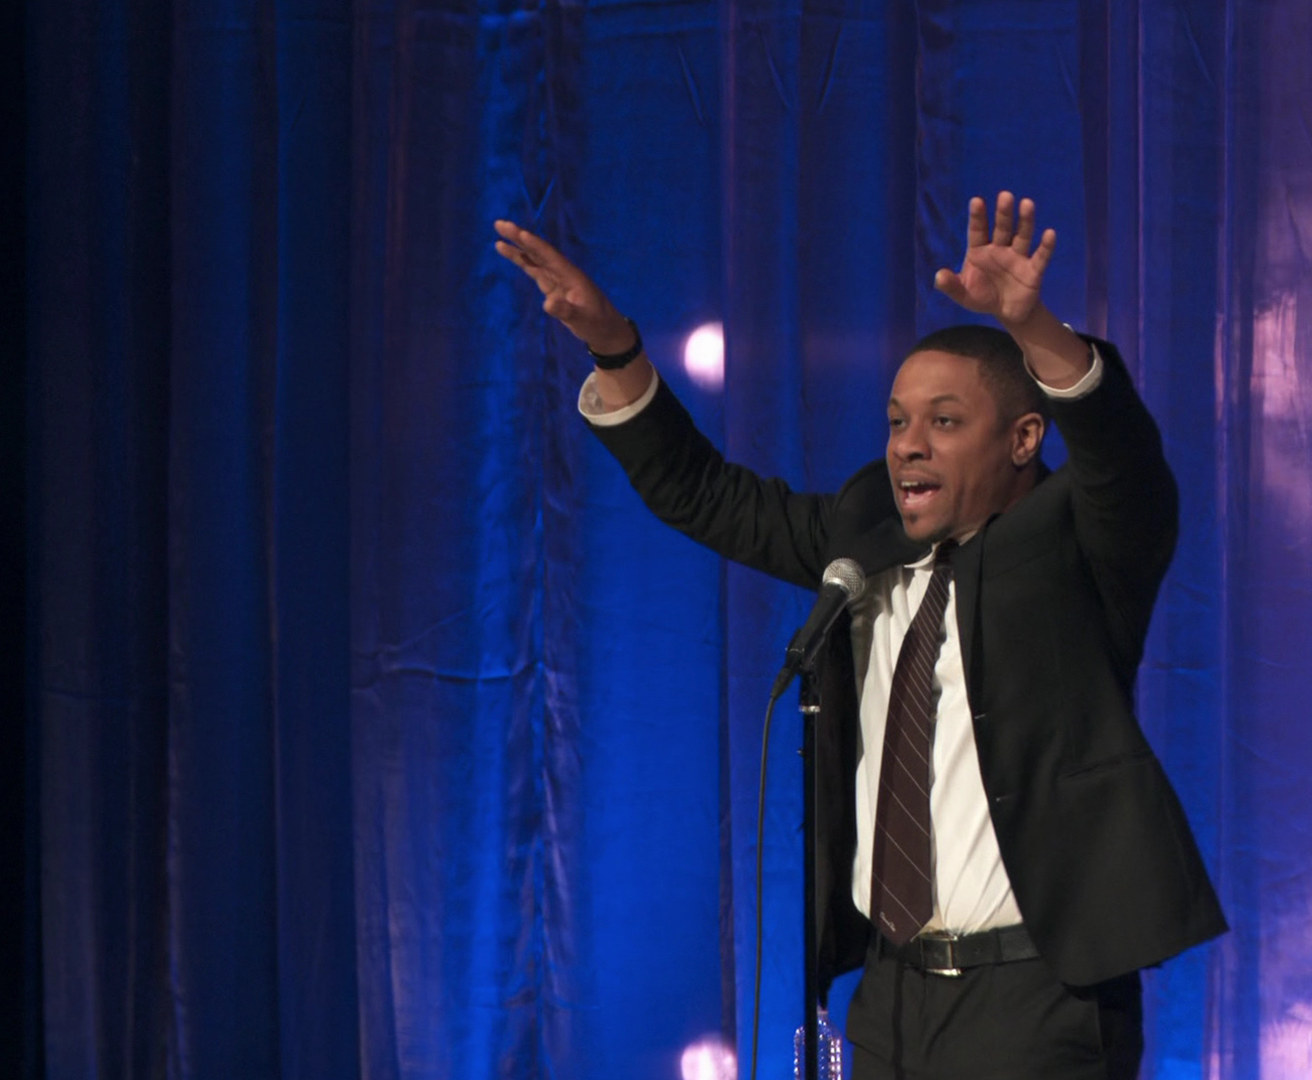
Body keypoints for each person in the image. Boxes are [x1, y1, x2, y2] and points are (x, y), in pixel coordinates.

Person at [493, 193, 1225, 1080]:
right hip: (889, 1001)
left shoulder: (1084, 543)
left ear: (1024, 438)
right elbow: (705, 495)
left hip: (1037, 999)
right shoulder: (865, 539)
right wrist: (615, 347)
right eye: (896, 421)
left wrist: (1036, 330)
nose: (908, 446)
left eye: (944, 422)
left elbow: (1123, 456)